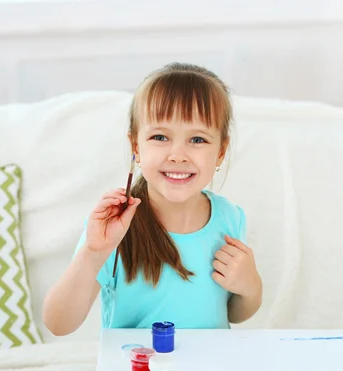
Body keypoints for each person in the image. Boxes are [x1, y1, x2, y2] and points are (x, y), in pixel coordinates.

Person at [43, 62, 262, 335]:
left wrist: (250, 288)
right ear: (136, 146)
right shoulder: (115, 227)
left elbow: (233, 312)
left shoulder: (230, 218)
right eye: (160, 136)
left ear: (221, 151)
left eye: (197, 140)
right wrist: (92, 253)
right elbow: (57, 323)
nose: (178, 155)